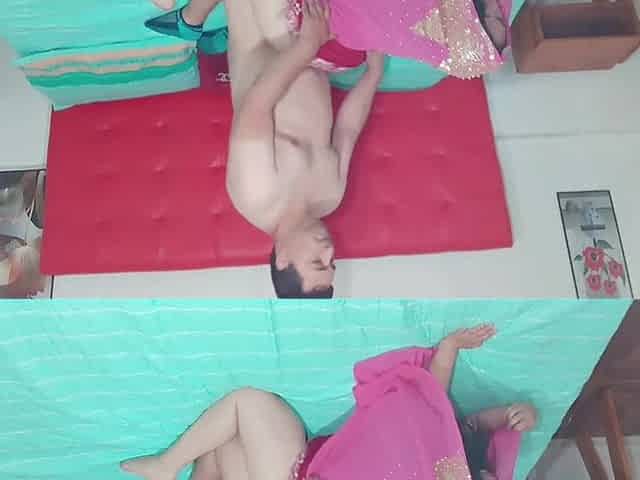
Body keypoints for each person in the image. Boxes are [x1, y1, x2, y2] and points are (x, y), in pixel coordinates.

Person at [146, 0, 385, 298]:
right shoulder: (330, 196)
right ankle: (196, 20)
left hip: (268, 46)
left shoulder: (256, 196)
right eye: (332, 262)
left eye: (317, 261)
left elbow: (256, 106)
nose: (329, 250)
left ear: (283, 258)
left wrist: (304, 48)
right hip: (313, 53)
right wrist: (373, 74)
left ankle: (191, 19)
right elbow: (347, 130)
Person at [121, 324, 537, 480]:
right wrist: (511, 414)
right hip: (303, 464)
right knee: (226, 444)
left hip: (299, 473)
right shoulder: (455, 454)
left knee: (248, 404)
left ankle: (168, 465)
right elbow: (434, 409)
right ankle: (178, 467)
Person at [146, 0, 510, 79]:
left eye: (488, 18)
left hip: (319, 32)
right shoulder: (436, 31)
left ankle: (191, 19)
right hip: (340, 46)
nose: (497, 9)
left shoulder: (431, 16)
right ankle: (225, 29)